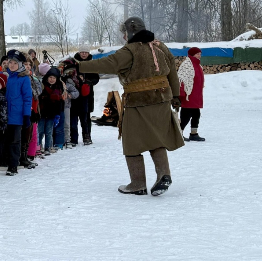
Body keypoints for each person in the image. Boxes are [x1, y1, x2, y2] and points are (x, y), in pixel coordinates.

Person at [77, 16, 184, 196]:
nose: (124, 37)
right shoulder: (160, 46)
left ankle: (137, 183)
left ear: (130, 32)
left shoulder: (130, 50)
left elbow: (108, 64)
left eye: (125, 33)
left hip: (138, 102)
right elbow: (172, 70)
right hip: (162, 99)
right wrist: (175, 95)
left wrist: (79, 66)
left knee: (132, 142)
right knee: (157, 138)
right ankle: (163, 174)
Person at [3, 50, 33, 176]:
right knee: (5, 140)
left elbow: (27, 98)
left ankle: (13, 165)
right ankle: (4, 162)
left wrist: (26, 115)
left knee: (15, 141)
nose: (12, 65)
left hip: (17, 115)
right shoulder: (4, 75)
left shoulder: (24, 78)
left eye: (15, 63)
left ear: (20, 64)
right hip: (3, 114)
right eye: (10, 62)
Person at [178, 47, 206, 142]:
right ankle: (179, 133)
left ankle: (194, 133)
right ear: (192, 54)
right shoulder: (187, 64)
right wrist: (181, 94)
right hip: (188, 95)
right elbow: (181, 79)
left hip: (196, 95)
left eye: (200, 53)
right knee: (186, 115)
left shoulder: (198, 65)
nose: (199, 55)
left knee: (196, 114)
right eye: (197, 53)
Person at [61, 58, 90, 147]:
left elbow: (85, 91)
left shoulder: (80, 77)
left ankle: (86, 137)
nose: (70, 72)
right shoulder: (65, 79)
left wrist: (83, 82)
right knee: (73, 123)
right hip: (72, 104)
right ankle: (74, 139)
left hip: (82, 102)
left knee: (84, 121)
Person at [74, 49, 101, 145]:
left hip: (87, 93)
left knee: (86, 116)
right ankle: (73, 138)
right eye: (82, 52)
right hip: (75, 93)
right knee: (74, 116)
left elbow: (96, 78)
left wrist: (89, 82)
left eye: (85, 52)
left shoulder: (92, 63)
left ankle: (87, 135)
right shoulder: (74, 62)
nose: (84, 54)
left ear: (88, 53)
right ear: (79, 53)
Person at [38, 67, 65, 156]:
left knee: (49, 131)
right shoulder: (42, 87)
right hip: (42, 113)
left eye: (54, 78)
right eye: (50, 77)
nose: (52, 79)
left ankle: (48, 147)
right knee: (40, 131)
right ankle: (38, 147)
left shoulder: (58, 88)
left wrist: (58, 114)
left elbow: (60, 103)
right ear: (47, 78)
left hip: (52, 114)